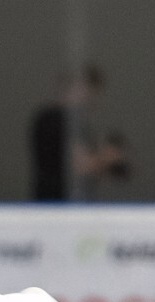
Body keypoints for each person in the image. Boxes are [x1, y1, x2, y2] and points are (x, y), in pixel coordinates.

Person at [30, 66, 131, 202]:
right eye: (90, 92)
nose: (91, 100)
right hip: (54, 205)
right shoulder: (52, 119)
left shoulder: (77, 125)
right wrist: (106, 158)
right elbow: (77, 165)